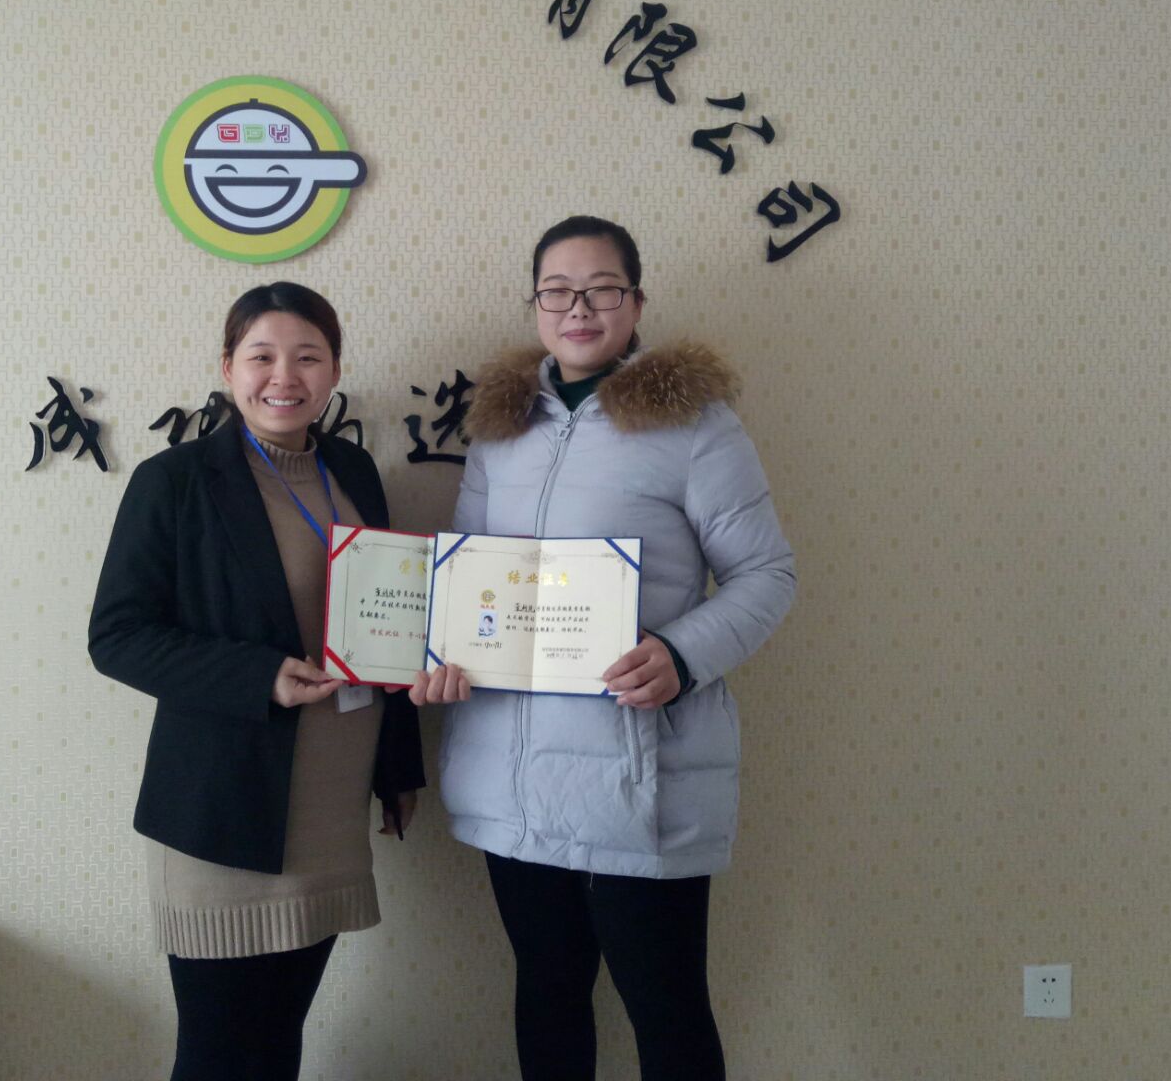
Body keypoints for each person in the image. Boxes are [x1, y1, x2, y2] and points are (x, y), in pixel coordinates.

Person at [411, 215, 796, 1081]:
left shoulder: (698, 425)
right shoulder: (500, 429)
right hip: (512, 772)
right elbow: (471, 578)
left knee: (666, 1007)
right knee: (547, 995)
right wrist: (442, 654)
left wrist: (681, 655)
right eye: (557, 291)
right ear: (535, 305)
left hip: (638, 772)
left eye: (601, 289)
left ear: (636, 302)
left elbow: (767, 574)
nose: (578, 309)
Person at [88, 282, 424, 1081]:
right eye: (262, 356)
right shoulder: (175, 480)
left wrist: (398, 768)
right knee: (216, 1056)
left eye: (308, 357)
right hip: (224, 812)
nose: (284, 376)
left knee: (277, 1045)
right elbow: (117, 637)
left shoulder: (354, 470)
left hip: (329, 807)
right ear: (227, 367)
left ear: (334, 369)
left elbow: (388, 629)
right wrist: (258, 675)